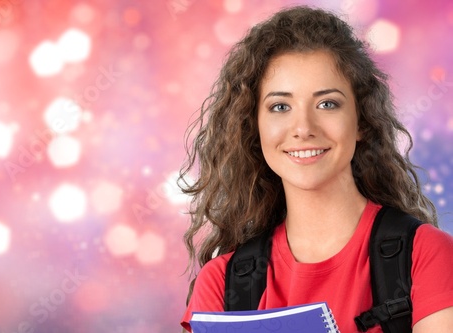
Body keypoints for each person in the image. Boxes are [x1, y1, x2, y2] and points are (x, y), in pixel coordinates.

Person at [178, 5, 453, 333]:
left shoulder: (427, 255)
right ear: (255, 127)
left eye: (327, 104)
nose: (303, 127)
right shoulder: (221, 286)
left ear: (361, 120)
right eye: (280, 107)